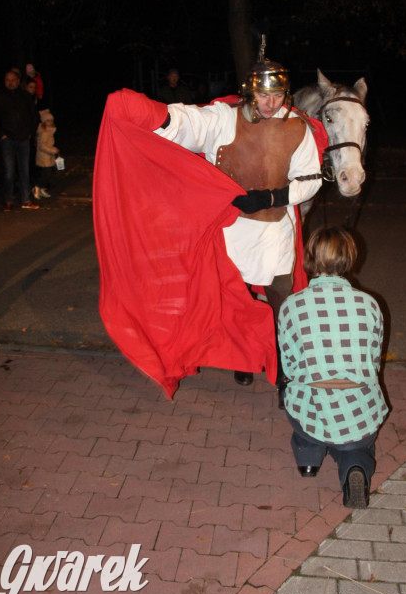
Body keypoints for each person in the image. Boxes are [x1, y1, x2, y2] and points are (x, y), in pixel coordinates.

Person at [93, 42, 324, 401]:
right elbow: (187, 122)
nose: (271, 104)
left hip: (274, 230)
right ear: (250, 92)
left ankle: (285, 372)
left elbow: (309, 179)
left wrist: (273, 197)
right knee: (237, 300)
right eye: (264, 95)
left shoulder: (297, 128)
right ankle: (245, 361)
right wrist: (148, 112)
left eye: (277, 95)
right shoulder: (224, 117)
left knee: (281, 301)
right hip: (229, 230)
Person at [278, 226, 388, 508]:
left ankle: (308, 461)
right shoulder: (370, 305)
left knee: (301, 416)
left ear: (310, 258)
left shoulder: (292, 306)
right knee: (358, 447)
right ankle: (355, 467)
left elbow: (289, 366)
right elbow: (373, 363)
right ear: (349, 259)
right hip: (358, 409)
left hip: (311, 406)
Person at [0, 69, 39, 210]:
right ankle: (8, 200)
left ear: (18, 81)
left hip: (23, 138)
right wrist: (1, 134)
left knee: (24, 171)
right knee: (9, 171)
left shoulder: (25, 96)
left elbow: (33, 116)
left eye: (13, 80)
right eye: (7, 80)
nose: (10, 83)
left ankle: (26, 199)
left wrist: (30, 132)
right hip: (8, 139)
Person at [33, 110, 59, 199]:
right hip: (44, 157)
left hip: (49, 156)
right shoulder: (44, 132)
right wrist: (52, 150)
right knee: (45, 174)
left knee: (48, 173)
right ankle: (37, 187)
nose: (50, 122)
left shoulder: (50, 132)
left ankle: (42, 188)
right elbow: (42, 146)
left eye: (51, 120)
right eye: (48, 121)